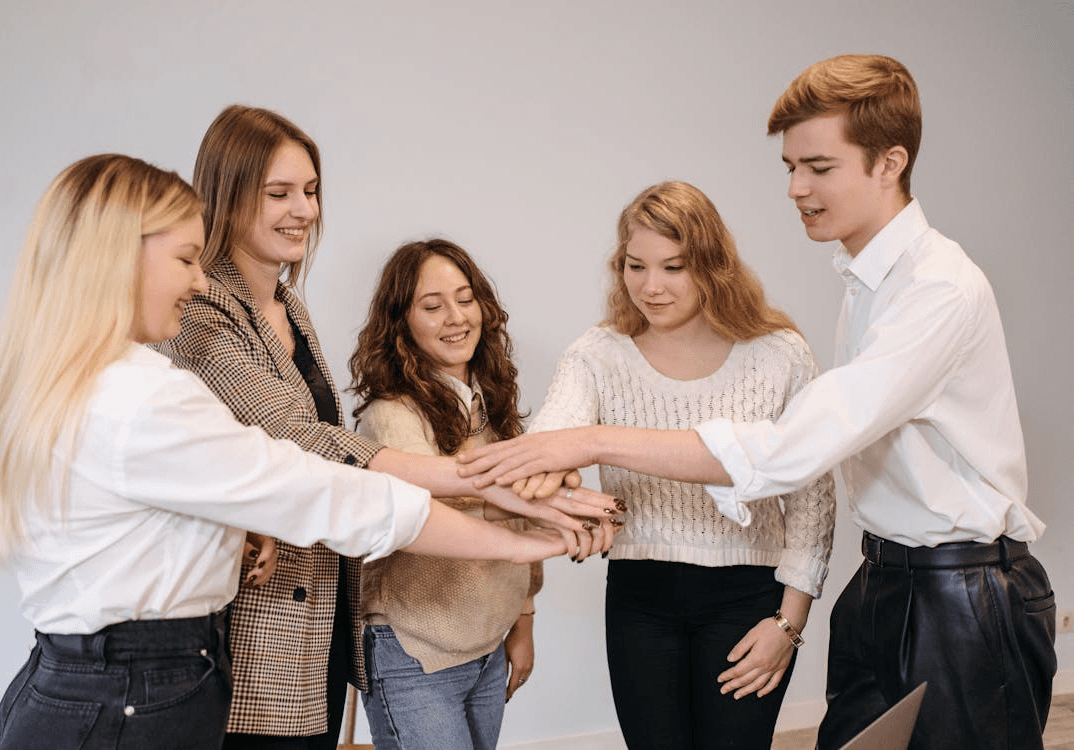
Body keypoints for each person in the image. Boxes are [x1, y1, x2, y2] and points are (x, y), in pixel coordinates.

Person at [458, 55, 1057, 750]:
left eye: (819, 167)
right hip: (885, 581)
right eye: (790, 167)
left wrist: (589, 442)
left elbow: (789, 451)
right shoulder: (867, 283)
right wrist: (551, 477)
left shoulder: (936, 290)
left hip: (961, 593)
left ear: (890, 163)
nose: (797, 188)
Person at [0, 154, 584, 750]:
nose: (199, 280)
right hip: (130, 696)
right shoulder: (141, 396)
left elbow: (149, 511)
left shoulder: (80, 379)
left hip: (85, 686)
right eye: (185, 258)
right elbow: (318, 488)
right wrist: (529, 541)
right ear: (118, 257)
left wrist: (233, 526)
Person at [156, 105, 617, 749]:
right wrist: (504, 492)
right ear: (227, 197)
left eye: (311, 190)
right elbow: (304, 441)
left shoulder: (288, 306)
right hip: (258, 622)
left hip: (321, 613)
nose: (304, 210)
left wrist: (524, 517)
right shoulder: (203, 311)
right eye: (279, 193)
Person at [516, 182, 835, 750]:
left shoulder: (779, 354)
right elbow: (553, 440)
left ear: (712, 265)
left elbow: (812, 498)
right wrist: (564, 492)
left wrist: (790, 623)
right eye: (635, 266)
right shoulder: (596, 354)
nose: (651, 287)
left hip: (749, 598)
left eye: (673, 267)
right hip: (640, 598)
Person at [348, 239, 595, 750]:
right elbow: (433, 521)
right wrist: (556, 514)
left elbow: (520, 517)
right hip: (415, 652)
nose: (456, 318)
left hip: (486, 646)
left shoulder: (489, 405)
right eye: (432, 306)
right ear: (401, 323)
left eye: (465, 299)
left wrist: (523, 620)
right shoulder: (391, 414)